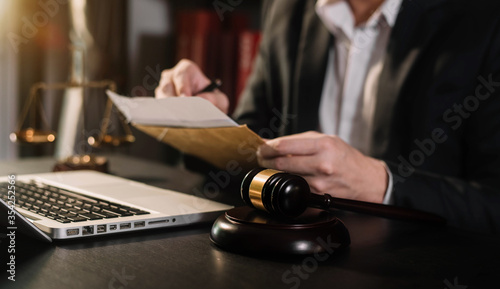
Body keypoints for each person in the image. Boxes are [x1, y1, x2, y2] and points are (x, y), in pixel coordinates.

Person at [155, 0, 500, 233]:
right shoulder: (288, 8)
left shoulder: (483, 20)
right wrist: (205, 120)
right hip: (291, 252)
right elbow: (250, 157)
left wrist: (382, 184)